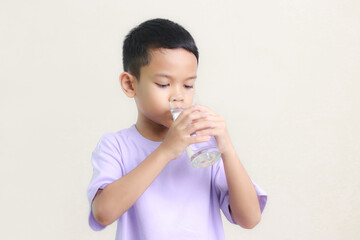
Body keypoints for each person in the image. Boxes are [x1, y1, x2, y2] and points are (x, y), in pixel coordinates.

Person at [87, 18, 267, 240]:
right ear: (130, 84)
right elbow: (103, 213)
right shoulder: (115, 145)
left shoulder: (202, 143)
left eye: (188, 85)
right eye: (163, 84)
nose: (178, 96)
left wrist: (227, 149)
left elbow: (250, 219)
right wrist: (166, 151)